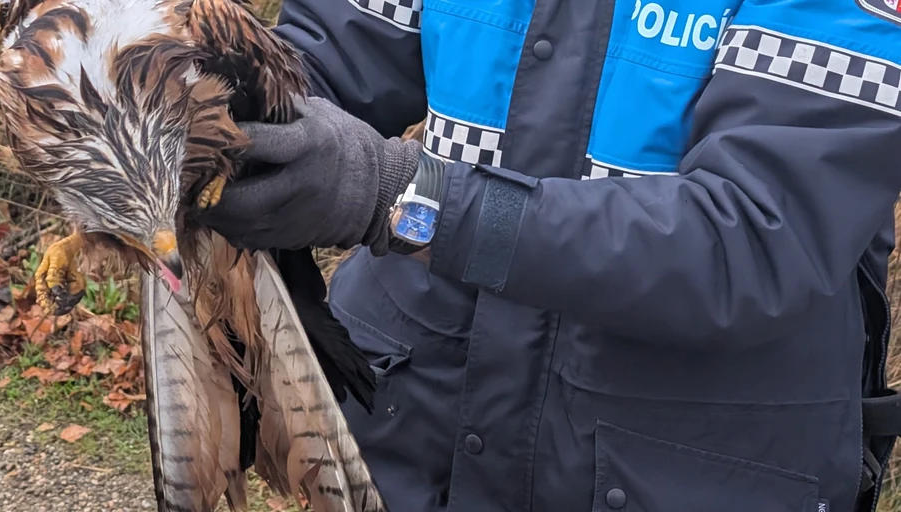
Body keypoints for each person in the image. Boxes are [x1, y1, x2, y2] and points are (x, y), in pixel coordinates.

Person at [198, 0, 901, 510]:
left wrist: (402, 199)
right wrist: (206, 109)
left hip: (681, 467)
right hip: (411, 438)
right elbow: (319, 62)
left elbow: (749, 240)